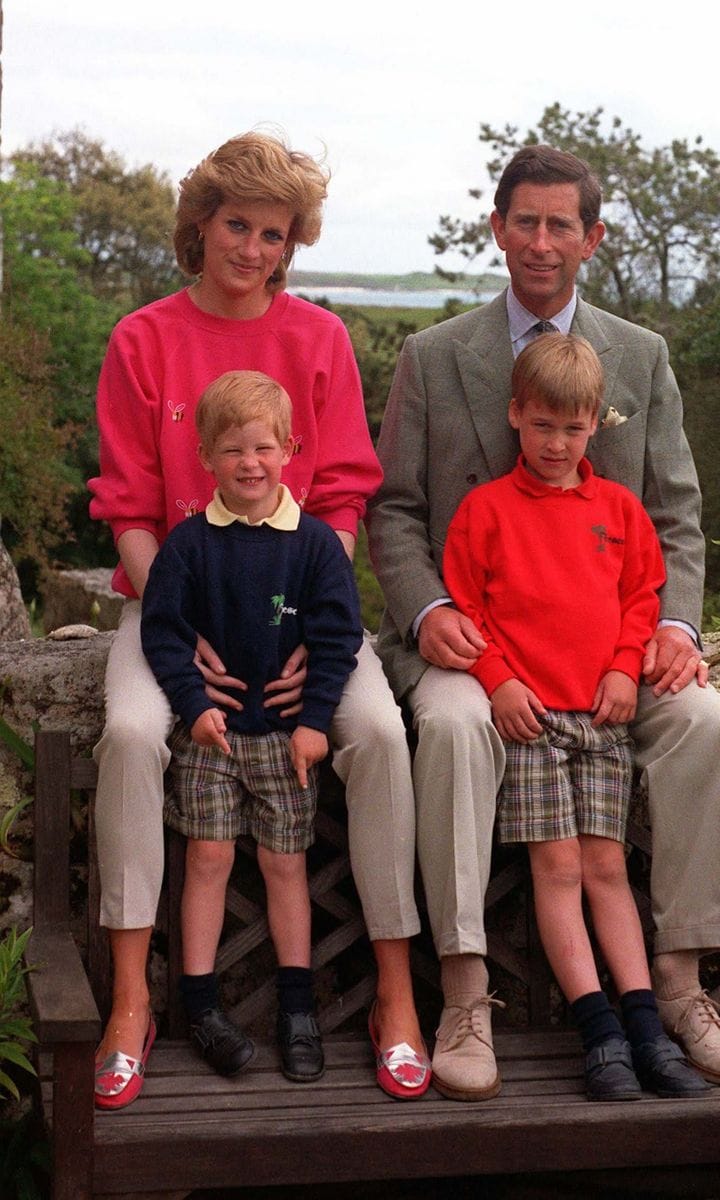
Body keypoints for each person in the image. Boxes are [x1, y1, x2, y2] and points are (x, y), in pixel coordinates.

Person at [368, 143, 720, 1102]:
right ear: (498, 228)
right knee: (446, 723)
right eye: (524, 220)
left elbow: (675, 517)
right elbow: (392, 508)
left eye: (562, 223)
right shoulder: (434, 357)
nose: (541, 240)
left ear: (591, 238)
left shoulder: (638, 358)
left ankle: (683, 980)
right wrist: (429, 608)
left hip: (606, 644)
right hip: (474, 639)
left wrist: (676, 629)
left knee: (702, 721)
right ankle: (466, 990)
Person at [90, 131, 429, 1110]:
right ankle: (128, 1002)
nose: (252, 248)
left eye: (273, 233)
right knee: (128, 732)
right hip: (170, 606)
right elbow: (129, 512)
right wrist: (178, 622)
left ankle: (396, 997)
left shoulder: (319, 340)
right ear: (201, 225)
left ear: (293, 242)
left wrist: (303, 638)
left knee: (376, 729)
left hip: (299, 613)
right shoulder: (142, 339)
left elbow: (343, 504)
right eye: (236, 224)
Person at [443, 332, 710, 1101]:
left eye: (573, 427)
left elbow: (641, 599)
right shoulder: (485, 512)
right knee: (556, 870)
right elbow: (466, 612)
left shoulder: (618, 510)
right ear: (515, 416)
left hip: (601, 716)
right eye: (542, 426)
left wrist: (628, 666)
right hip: (531, 721)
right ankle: (599, 1035)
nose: (556, 444)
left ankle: (647, 1030)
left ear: (596, 423)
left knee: (607, 869)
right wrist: (496, 681)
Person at [139, 370, 362, 1083]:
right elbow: (166, 635)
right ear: (205, 456)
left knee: (284, 865)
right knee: (206, 860)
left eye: (264, 448)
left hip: (286, 741)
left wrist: (317, 722)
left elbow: (337, 638)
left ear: (290, 448)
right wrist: (193, 706)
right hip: (213, 737)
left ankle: (297, 1008)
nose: (250, 463)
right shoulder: (187, 546)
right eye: (232, 450)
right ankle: (200, 1006)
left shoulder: (317, 545)